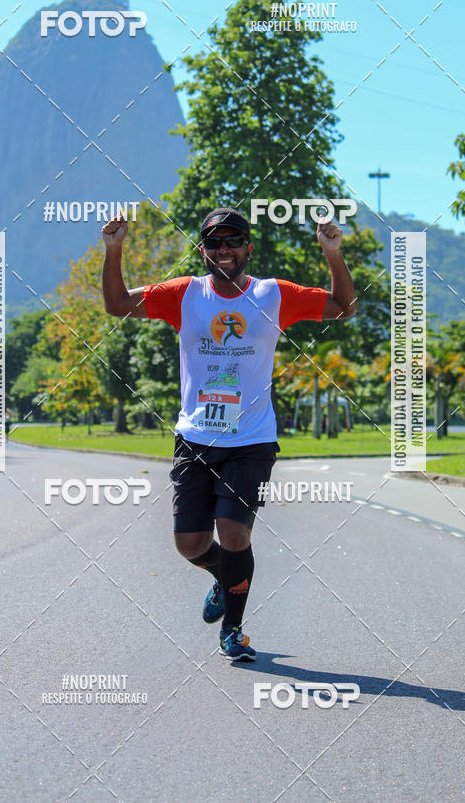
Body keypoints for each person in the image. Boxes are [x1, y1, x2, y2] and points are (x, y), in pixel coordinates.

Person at [101, 207, 357, 662]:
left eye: (232, 241)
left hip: (252, 441)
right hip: (195, 438)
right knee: (190, 544)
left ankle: (234, 630)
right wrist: (114, 249)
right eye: (214, 242)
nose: (223, 250)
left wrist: (333, 254)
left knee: (235, 534)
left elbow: (343, 308)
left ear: (247, 248)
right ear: (203, 250)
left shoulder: (274, 294)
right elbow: (117, 304)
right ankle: (223, 576)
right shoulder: (184, 293)